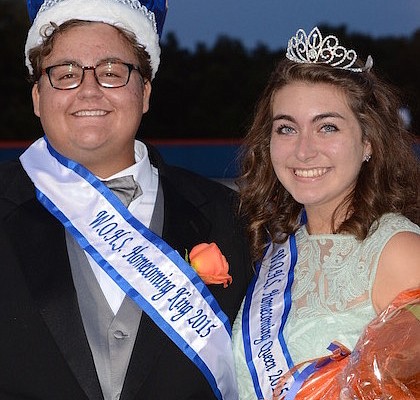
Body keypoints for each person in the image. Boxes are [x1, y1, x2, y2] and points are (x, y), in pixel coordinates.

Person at [0, 1, 252, 399]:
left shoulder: (234, 218)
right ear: (36, 96)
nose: (88, 89)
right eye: (65, 74)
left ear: (145, 92)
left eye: (111, 72)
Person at [232, 27, 420, 400]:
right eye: (286, 128)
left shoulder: (398, 251)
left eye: (327, 127)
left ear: (368, 142)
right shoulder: (273, 248)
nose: (303, 151)